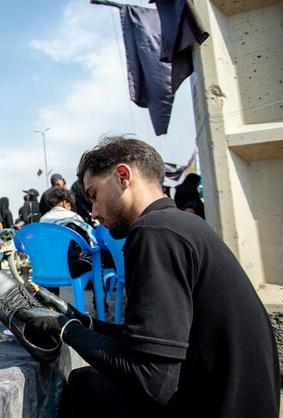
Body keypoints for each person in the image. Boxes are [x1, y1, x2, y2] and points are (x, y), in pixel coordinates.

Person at [18, 136, 280, 417]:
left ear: (122, 177)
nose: (93, 212)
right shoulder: (179, 223)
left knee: (79, 389)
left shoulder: (153, 232)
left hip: (212, 405)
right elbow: (152, 340)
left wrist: (66, 329)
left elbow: (151, 379)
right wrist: (86, 322)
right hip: (235, 399)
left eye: (94, 195)